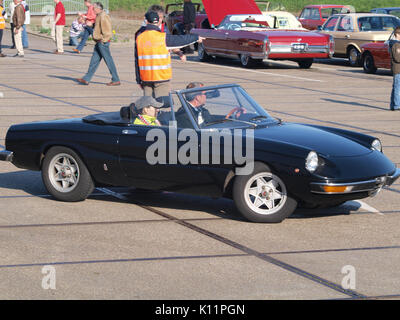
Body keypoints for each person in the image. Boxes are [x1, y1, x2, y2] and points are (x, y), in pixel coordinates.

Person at [135, 10, 203, 98]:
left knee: (148, 106)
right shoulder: (163, 37)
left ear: (146, 21)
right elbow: (181, 40)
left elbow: (136, 60)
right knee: (162, 104)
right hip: (161, 78)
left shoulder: (140, 38)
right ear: (158, 21)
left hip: (146, 78)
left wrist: (138, 80)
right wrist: (196, 37)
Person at [77, 2, 120, 86]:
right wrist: (90, 24)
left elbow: (107, 31)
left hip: (102, 42)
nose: (93, 10)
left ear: (97, 9)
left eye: (93, 9)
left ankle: (116, 79)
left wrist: (103, 40)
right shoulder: (99, 16)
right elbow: (98, 28)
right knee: (94, 61)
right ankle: (86, 79)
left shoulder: (103, 16)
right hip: (98, 42)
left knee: (109, 61)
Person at [390, 27, 400, 111]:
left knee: (395, 87)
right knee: (397, 87)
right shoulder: (396, 45)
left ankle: (392, 105)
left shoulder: (395, 44)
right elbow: (397, 58)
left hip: (397, 68)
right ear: (397, 34)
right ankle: (397, 105)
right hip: (398, 69)